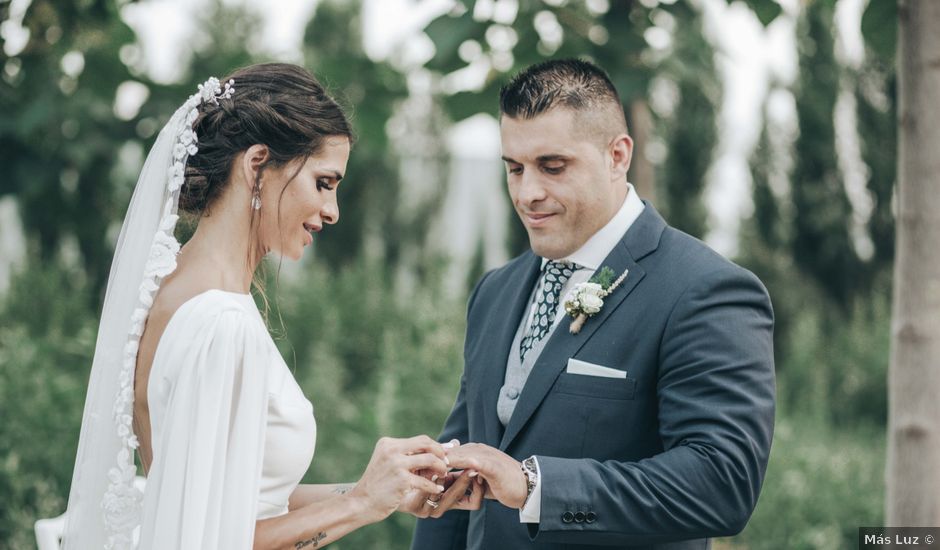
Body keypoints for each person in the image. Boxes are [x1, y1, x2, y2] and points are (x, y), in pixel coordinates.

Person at [62, 63, 461, 550]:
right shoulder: (221, 322)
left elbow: (234, 498)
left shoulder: (171, 288)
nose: (333, 211)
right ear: (256, 165)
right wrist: (359, 506)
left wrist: (385, 490)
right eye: (323, 183)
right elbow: (214, 540)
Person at [411, 59, 776, 549]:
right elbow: (460, 476)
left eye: (552, 166)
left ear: (618, 156)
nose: (528, 192)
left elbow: (720, 485)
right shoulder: (495, 291)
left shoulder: (704, 290)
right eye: (514, 169)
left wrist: (538, 487)